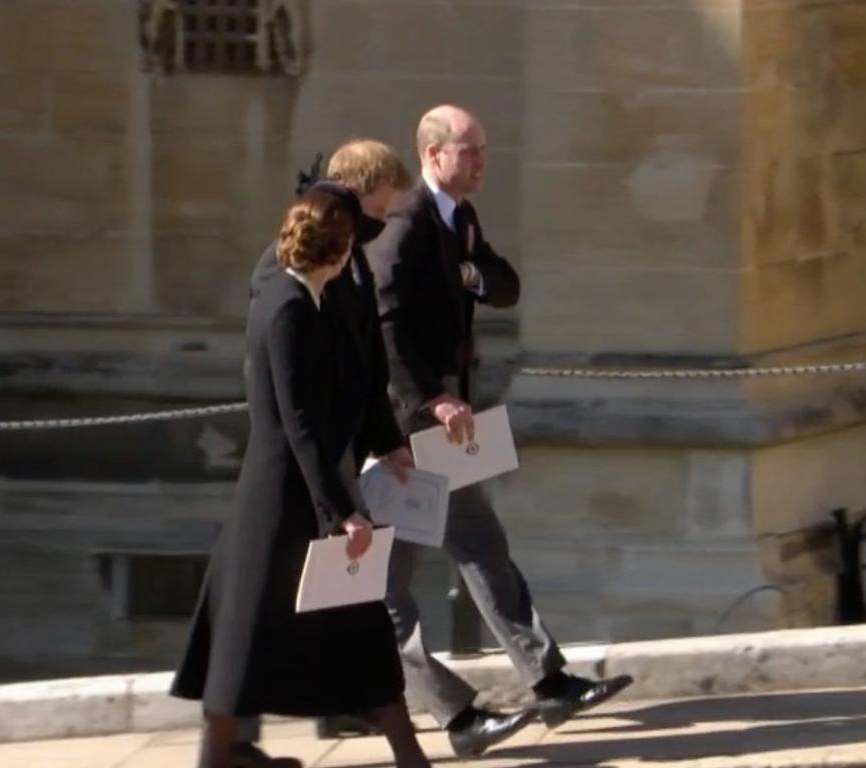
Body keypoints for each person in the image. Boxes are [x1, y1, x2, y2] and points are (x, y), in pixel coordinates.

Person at [366, 105, 634, 758]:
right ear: (432, 155)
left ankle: (544, 681)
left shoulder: (462, 220)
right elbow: (385, 326)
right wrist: (429, 399)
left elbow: (504, 283)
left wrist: (472, 274)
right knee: (380, 589)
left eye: (484, 150)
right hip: (406, 431)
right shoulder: (405, 227)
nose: (482, 162)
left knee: (479, 545)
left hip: (445, 424)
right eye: (470, 151)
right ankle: (457, 712)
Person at [171, 189, 432, 768]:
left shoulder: (306, 298)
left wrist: (382, 451)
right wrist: (344, 510)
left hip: (305, 492)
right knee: (244, 639)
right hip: (279, 501)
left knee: (355, 629)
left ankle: (407, 755)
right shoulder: (287, 306)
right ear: (338, 252)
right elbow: (300, 423)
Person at [233, 141, 417, 757]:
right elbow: (296, 406)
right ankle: (233, 742)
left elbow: (364, 367)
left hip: (332, 467)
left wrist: (387, 439)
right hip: (294, 481)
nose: (381, 226)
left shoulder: (352, 264)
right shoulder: (285, 280)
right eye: (380, 211)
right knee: (260, 614)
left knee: (345, 613)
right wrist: (340, 504)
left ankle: (381, 729)